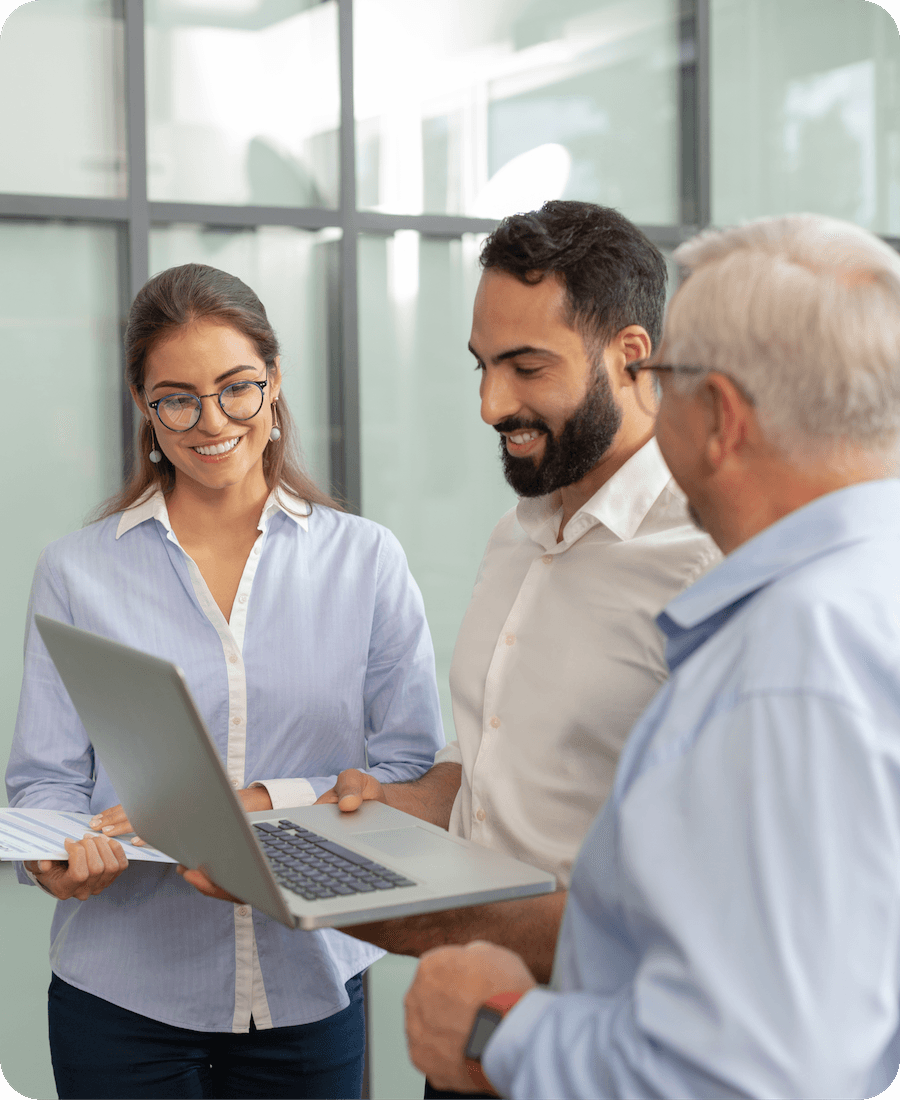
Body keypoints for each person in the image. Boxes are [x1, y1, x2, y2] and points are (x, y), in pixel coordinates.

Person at [182, 202, 717, 1094]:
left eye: (526, 367)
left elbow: (710, 892)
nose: (490, 404)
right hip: (471, 1030)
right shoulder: (518, 534)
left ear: (632, 354)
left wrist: (364, 909)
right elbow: (490, 765)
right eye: (482, 365)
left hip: (612, 1053)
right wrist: (391, 803)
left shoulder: (703, 560)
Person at [403, 213, 900, 1099]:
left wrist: (497, 1033)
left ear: (721, 418)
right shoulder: (858, 593)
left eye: (668, 380)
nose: (492, 404)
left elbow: (756, 1069)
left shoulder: (792, 655)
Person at [5, 263, 444, 1100]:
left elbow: (411, 775)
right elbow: (44, 779)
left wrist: (261, 802)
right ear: (143, 405)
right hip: (120, 996)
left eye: (237, 388)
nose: (211, 422)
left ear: (274, 381)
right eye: (177, 399)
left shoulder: (366, 560)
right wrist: (56, 856)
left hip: (309, 983)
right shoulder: (75, 571)